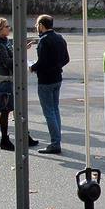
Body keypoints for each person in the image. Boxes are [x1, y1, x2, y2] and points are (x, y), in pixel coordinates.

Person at [0, 17, 38, 151]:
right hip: (5, 81)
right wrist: (21, 53)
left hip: (10, 79)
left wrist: (21, 50)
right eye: (6, 26)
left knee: (18, 109)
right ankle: (4, 139)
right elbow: (8, 62)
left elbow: (12, 57)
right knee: (6, 110)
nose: (8, 28)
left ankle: (24, 136)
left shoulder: (5, 41)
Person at [29, 14, 69, 155]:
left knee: (49, 112)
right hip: (57, 77)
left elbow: (42, 62)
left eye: (37, 25)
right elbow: (66, 58)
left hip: (46, 80)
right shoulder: (59, 38)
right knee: (55, 109)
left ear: (41, 25)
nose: (36, 28)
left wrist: (33, 68)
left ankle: (55, 142)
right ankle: (57, 139)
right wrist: (57, 66)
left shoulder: (44, 41)